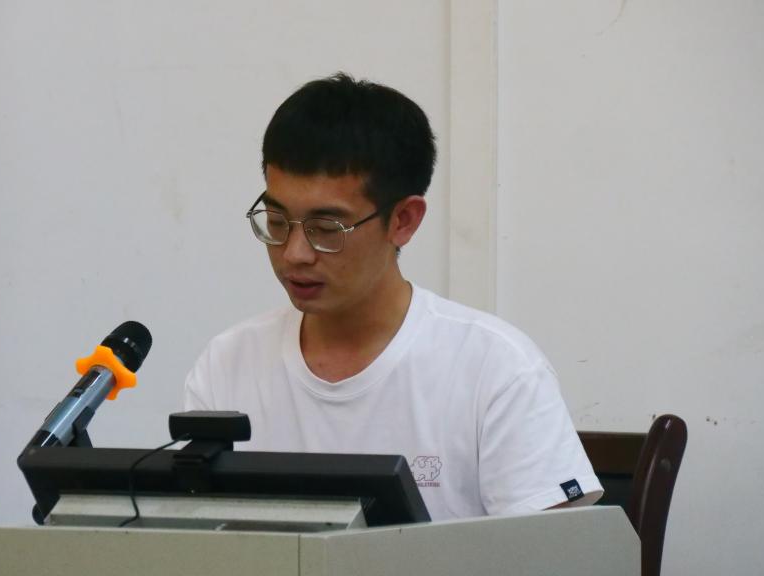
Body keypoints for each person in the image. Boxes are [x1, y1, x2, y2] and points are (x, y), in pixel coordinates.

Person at [183, 73, 601, 520]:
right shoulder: (228, 365)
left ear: (403, 220)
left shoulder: (496, 369)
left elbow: (554, 550)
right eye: (277, 221)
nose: (295, 253)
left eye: (326, 229)